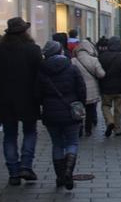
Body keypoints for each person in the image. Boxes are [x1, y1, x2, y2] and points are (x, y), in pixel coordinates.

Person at [0, 17, 42, 185]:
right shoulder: (33, 50)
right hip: (28, 98)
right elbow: (40, 76)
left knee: (10, 135)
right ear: (24, 32)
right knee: (30, 132)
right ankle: (26, 165)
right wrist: (40, 98)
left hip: (5, 99)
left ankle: (13, 172)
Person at [36, 41, 86, 190]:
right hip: (71, 111)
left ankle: (59, 176)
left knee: (57, 144)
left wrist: (43, 105)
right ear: (61, 52)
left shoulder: (42, 70)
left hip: (51, 112)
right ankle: (69, 171)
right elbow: (81, 89)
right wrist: (80, 104)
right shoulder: (72, 68)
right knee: (72, 142)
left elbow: (37, 94)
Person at [98, 36, 121, 137]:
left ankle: (109, 121)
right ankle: (117, 129)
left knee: (105, 106)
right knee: (118, 108)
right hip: (120, 88)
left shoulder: (102, 56)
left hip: (106, 87)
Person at [72, 40, 106, 136]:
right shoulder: (93, 60)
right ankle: (88, 129)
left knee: (79, 108)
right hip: (92, 90)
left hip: (77, 90)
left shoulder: (73, 61)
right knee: (90, 110)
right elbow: (101, 74)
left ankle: (79, 128)